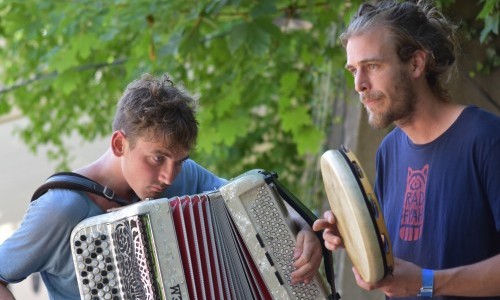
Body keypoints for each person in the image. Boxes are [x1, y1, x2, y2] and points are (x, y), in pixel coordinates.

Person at [0, 73, 322, 300]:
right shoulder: (60, 209)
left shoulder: (183, 176)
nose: (169, 176)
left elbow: (250, 198)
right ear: (118, 143)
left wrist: (298, 224)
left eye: (179, 160)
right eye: (157, 158)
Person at [313, 0, 500, 299]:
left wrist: (427, 282)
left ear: (415, 63)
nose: (359, 84)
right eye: (353, 70)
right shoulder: (389, 152)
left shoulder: (487, 139)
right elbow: (403, 260)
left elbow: (418, 278)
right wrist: (357, 235)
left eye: (372, 66)